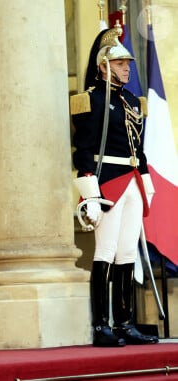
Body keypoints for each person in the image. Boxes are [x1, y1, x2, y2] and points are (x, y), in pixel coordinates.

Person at [71, 24, 158, 347]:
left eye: (128, 64)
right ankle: (100, 325)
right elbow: (83, 149)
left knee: (126, 253)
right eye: (121, 64)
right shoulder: (91, 100)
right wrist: (90, 193)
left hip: (134, 180)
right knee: (105, 251)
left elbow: (140, 148)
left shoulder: (133, 101)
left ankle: (124, 323)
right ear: (104, 66)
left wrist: (146, 182)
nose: (127, 69)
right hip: (108, 182)